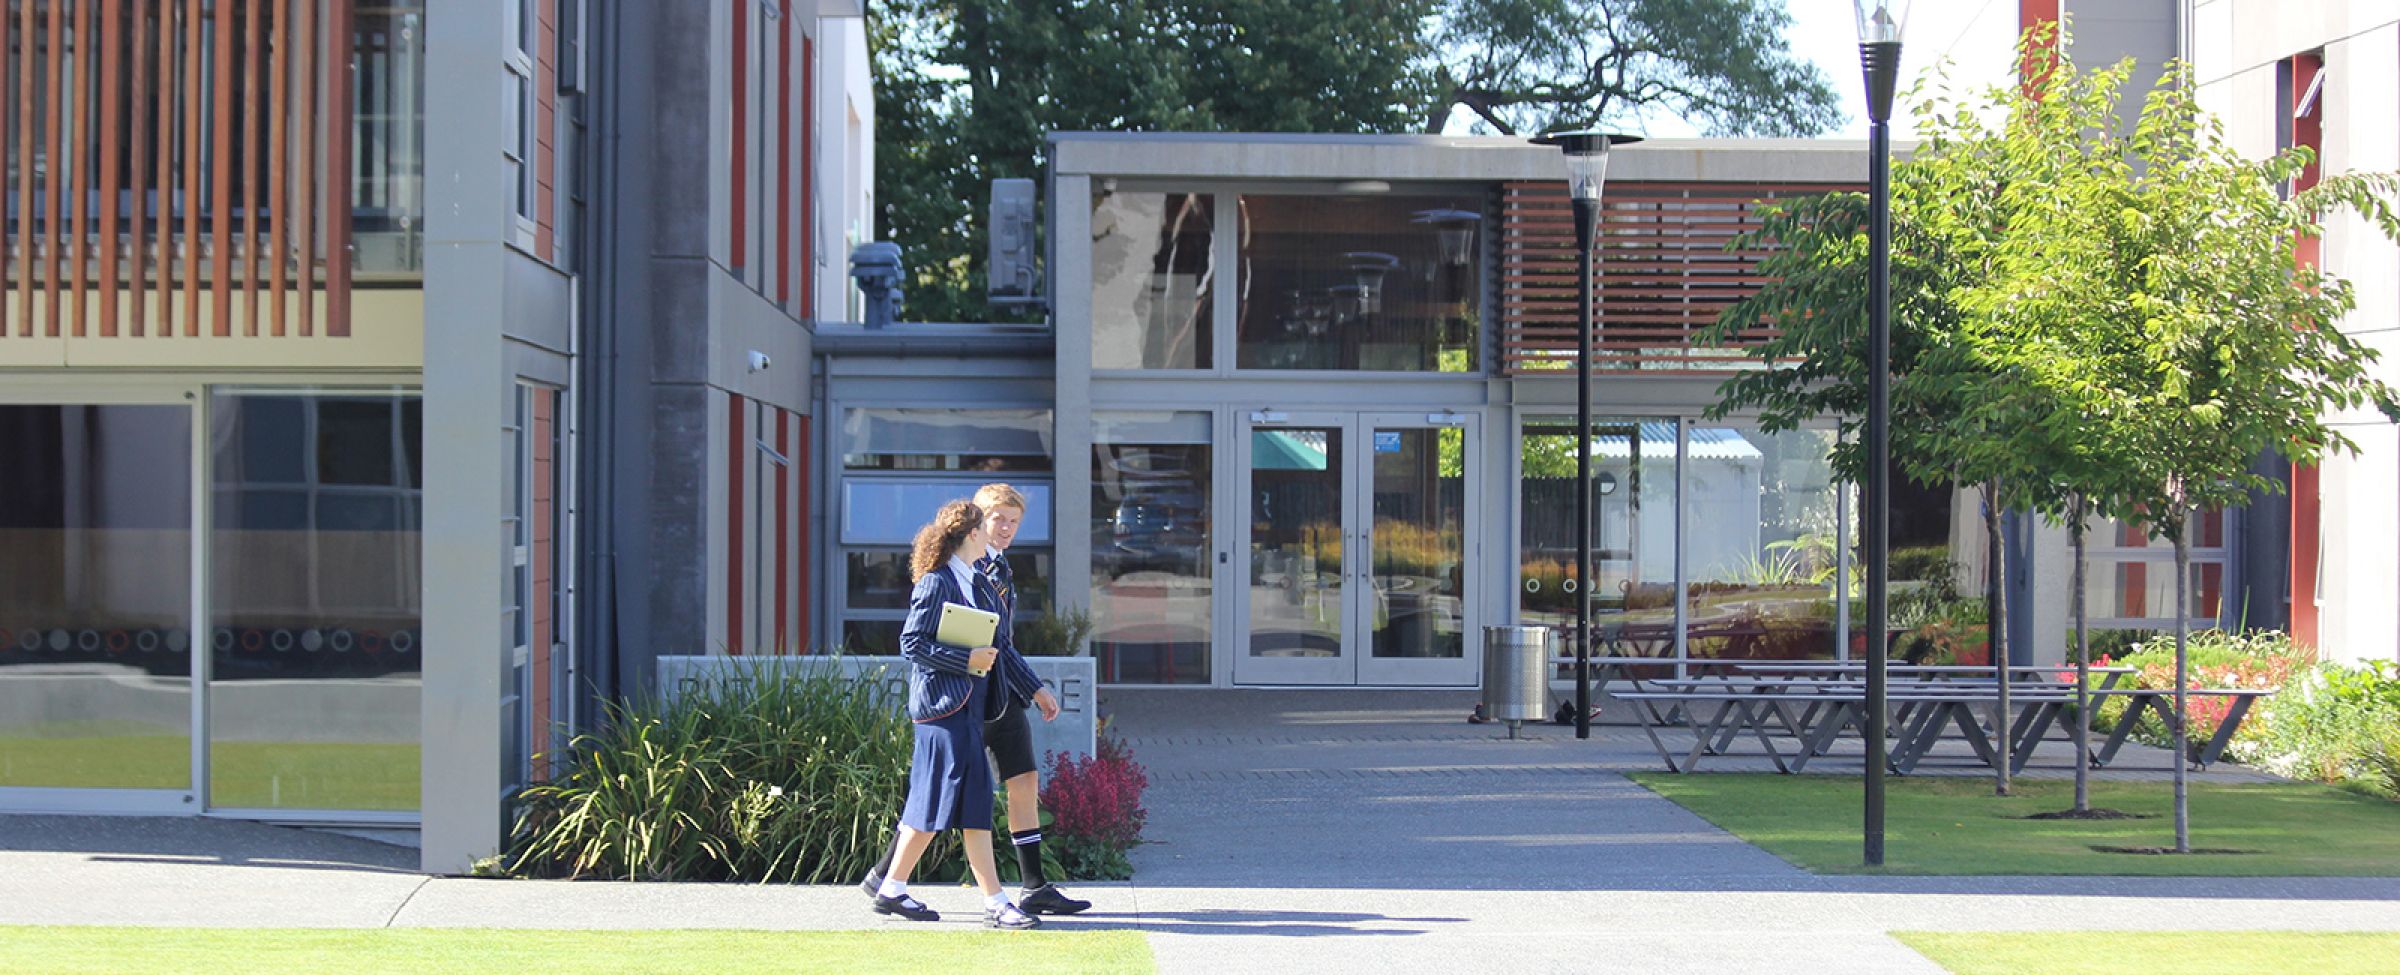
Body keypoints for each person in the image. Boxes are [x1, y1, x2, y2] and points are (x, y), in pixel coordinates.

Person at [863, 484, 1092, 916]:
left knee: (988, 789)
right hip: (956, 703)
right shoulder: (947, 577)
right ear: (974, 527)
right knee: (948, 798)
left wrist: (1035, 687)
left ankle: (1019, 887)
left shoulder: (991, 578)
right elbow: (913, 641)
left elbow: (1001, 645)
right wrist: (966, 659)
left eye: (1013, 522)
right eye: (996, 521)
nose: (1003, 530)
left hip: (993, 695)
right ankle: (978, 897)